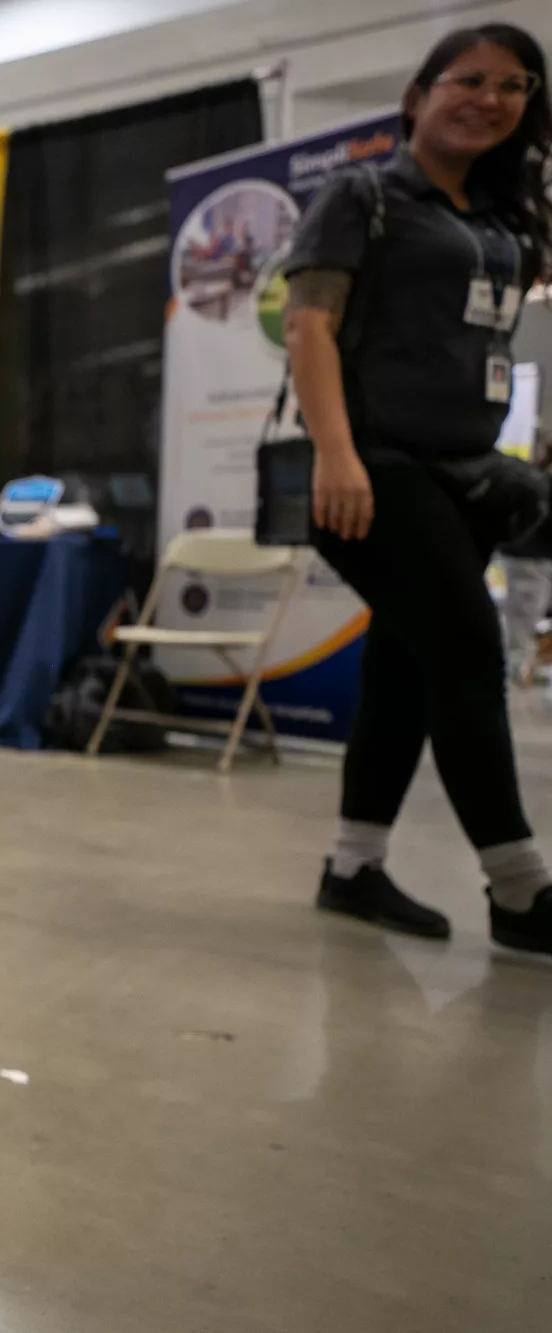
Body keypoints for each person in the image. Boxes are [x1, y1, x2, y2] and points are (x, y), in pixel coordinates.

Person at [285, 23, 552, 955]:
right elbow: (310, 325)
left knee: (407, 667)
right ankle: (521, 892)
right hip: (374, 472)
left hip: (462, 478)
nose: (491, 97)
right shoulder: (361, 193)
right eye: (468, 79)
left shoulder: (500, 222)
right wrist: (337, 454)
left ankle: (353, 868)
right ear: (418, 93)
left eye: (515, 85)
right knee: (470, 652)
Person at [497, 432, 552, 685]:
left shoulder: (535, 476)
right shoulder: (539, 480)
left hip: (532, 557)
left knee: (529, 614)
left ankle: (531, 663)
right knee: (523, 615)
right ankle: (517, 667)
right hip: (528, 558)